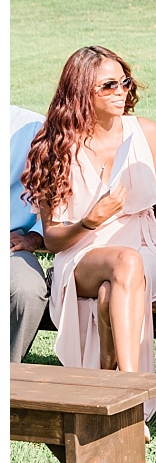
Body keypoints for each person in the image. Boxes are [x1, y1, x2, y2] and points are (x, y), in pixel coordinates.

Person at [22, 48, 156, 423]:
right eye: (108, 85)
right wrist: (90, 221)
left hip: (146, 249)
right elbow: (55, 239)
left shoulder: (145, 131)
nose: (121, 90)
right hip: (82, 255)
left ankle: (115, 384)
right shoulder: (54, 145)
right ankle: (133, 389)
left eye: (124, 81)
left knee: (121, 277)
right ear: (81, 93)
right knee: (121, 264)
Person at [10, 107, 49, 362]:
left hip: (10, 246)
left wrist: (35, 236)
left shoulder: (36, 129)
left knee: (27, 290)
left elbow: (62, 196)